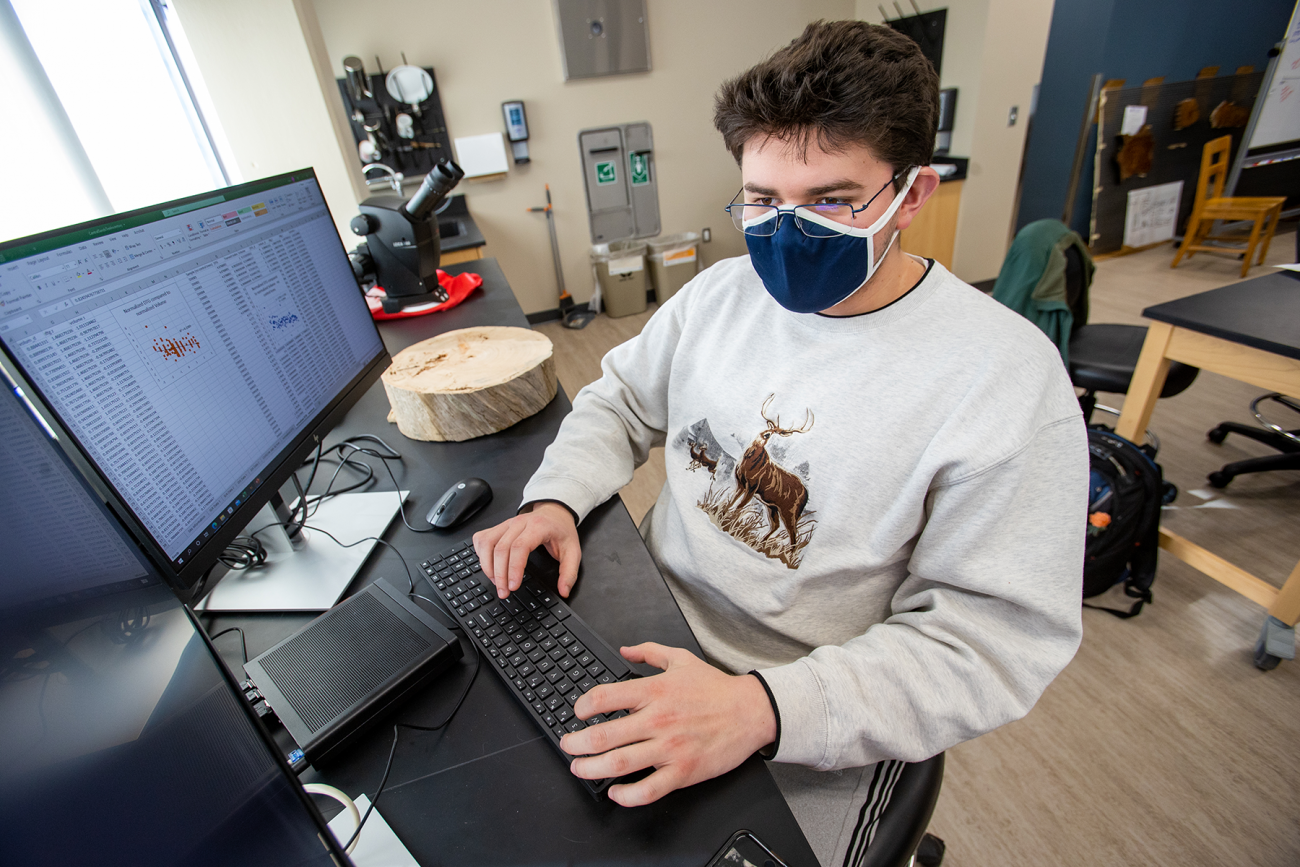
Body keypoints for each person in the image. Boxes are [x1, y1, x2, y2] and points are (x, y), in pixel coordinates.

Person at [474, 19, 1087, 866]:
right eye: (761, 200)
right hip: (639, 623)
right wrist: (554, 497)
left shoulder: (1005, 382)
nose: (784, 230)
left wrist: (759, 709)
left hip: (806, 713)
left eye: (831, 200)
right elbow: (618, 400)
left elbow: (987, 643)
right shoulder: (720, 295)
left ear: (912, 196)